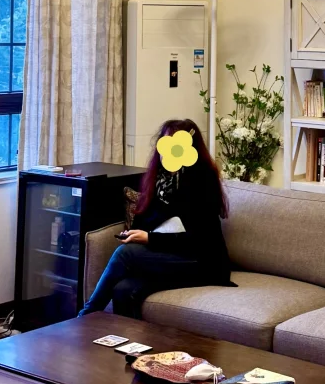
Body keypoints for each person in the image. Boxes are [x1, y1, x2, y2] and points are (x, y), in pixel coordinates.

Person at [79, 118, 231, 318]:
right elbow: (147, 218)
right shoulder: (160, 179)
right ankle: (122, 338)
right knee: (123, 289)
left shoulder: (202, 180)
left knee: (125, 254)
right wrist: (136, 233)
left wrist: (150, 239)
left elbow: (198, 239)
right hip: (170, 255)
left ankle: (85, 316)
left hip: (201, 261)